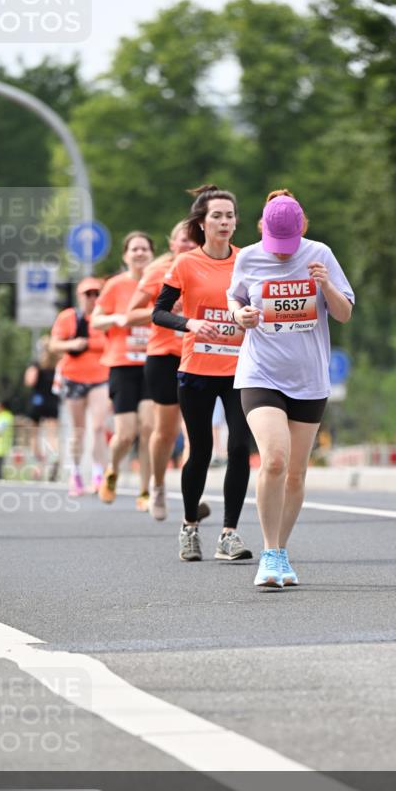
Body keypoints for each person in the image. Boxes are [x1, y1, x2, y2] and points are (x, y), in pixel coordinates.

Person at [227, 190, 354, 588]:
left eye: (288, 246)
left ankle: (280, 552)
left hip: (309, 380)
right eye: (275, 246)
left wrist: (326, 285)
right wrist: (241, 315)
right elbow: (234, 298)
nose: (281, 255)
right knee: (276, 460)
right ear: (263, 229)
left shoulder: (321, 254)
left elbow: (345, 313)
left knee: (296, 475)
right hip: (260, 373)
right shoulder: (248, 257)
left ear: (301, 229)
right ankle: (268, 553)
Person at [152, 185, 252, 562]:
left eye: (230, 215)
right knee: (201, 450)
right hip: (196, 368)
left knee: (240, 447)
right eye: (217, 216)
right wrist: (190, 324)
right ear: (202, 222)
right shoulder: (186, 264)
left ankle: (229, 534)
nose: (225, 222)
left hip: (240, 370)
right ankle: (190, 525)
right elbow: (158, 312)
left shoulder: (247, 260)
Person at [125, 221, 199, 520]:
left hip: (199, 356)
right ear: (172, 244)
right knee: (165, 432)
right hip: (164, 356)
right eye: (184, 240)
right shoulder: (158, 271)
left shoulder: (209, 267)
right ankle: (157, 486)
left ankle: (191, 495)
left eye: (195, 241)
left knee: (197, 433)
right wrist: (168, 310)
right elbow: (131, 315)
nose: (190, 245)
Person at [91, 232, 155, 509]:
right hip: (122, 364)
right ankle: (113, 469)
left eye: (144, 249)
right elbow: (95, 321)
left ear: (152, 254)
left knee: (149, 427)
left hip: (153, 362)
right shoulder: (116, 286)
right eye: (134, 249)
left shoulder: (160, 282)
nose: (139, 253)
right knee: (126, 434)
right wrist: (116, 318)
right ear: (125, 255)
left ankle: (145, 491)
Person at [49, 276, 110, 495]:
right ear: (80, 295)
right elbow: (54, 344)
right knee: (78, 430)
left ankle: (98, 474)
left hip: (100, 377)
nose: (93, 298)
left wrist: (89, 344)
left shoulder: (104, 318)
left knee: (98, 427)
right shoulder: (67, 317)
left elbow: (111, 343)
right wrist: (72, 343)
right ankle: (74, 473)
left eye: (96, 294)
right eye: (88, 294)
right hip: (73, 378)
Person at [24, 335, 60, 480]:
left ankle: (37, 467)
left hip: (37, 402)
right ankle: (54, 458)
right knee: (52, 435)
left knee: (34, 436)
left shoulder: (36, 364)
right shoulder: (57, 365)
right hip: (53, 402)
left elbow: (29, 381)